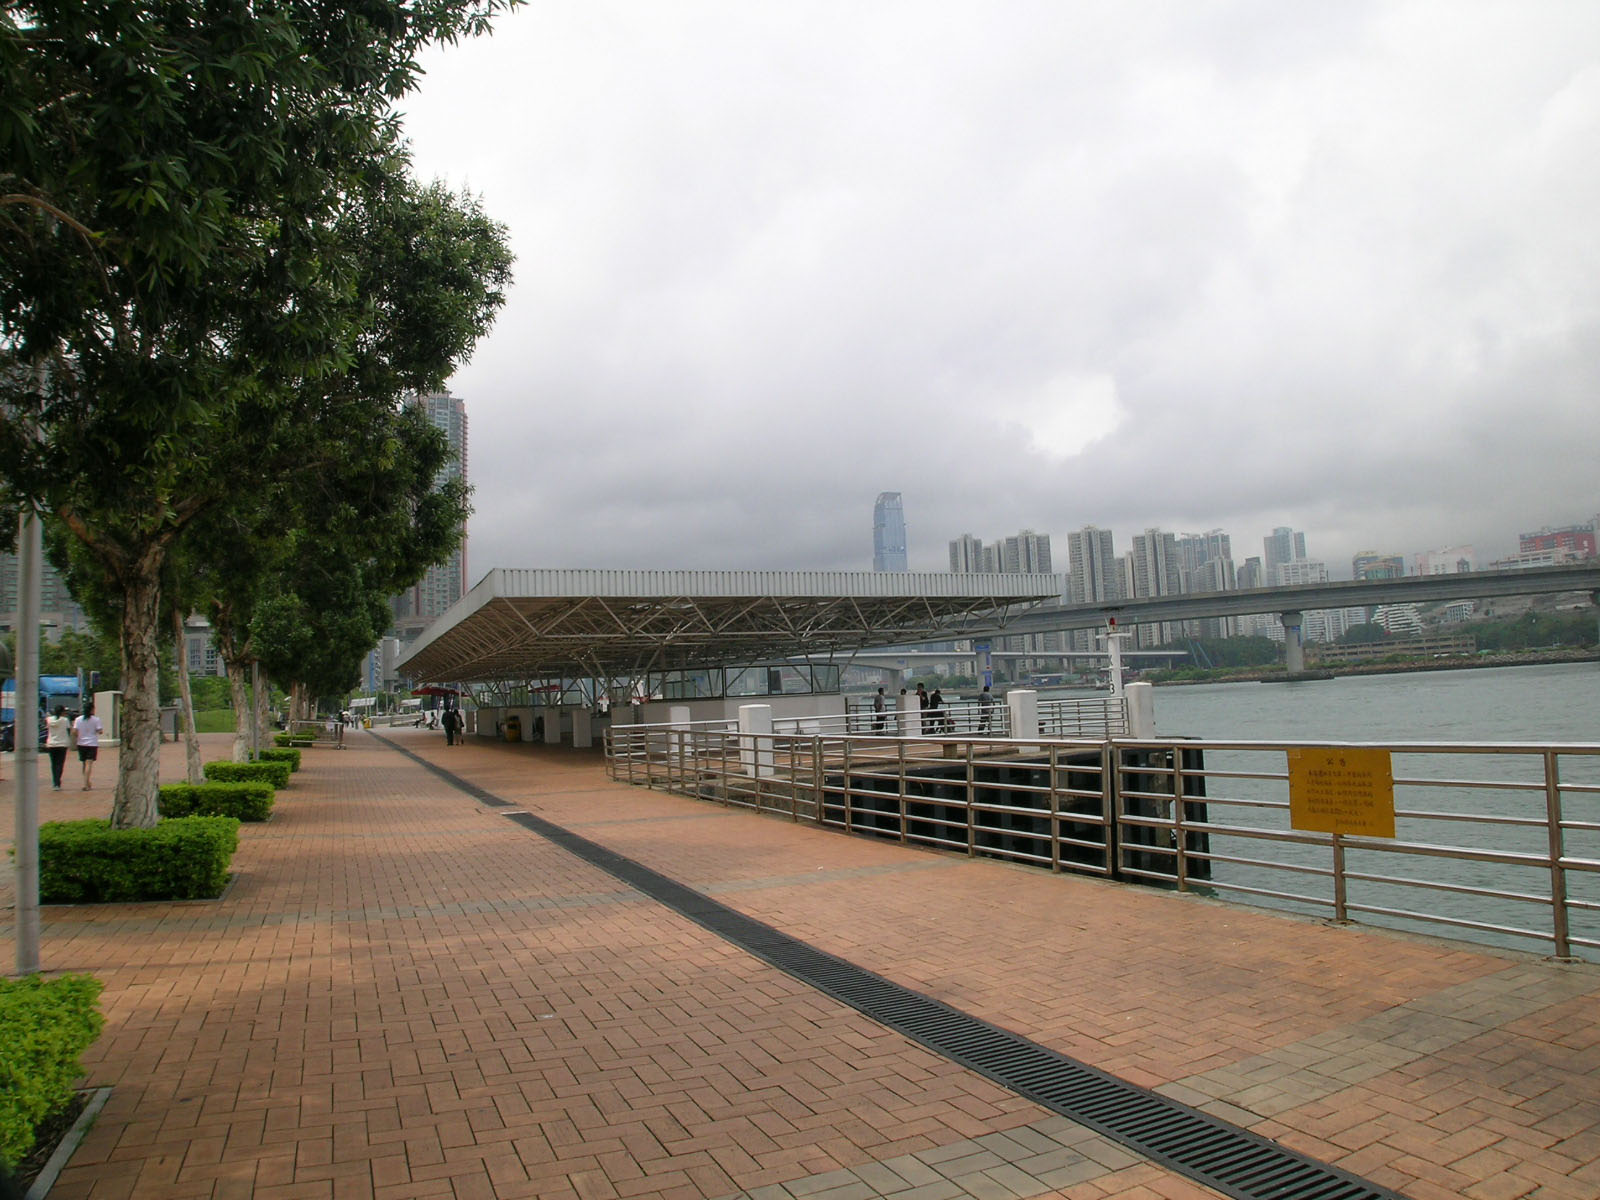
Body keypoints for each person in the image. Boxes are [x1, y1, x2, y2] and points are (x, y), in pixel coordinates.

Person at [72, 702, 104, 790]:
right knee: (89, 763)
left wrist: (79, 736)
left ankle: (86, 782)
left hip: (81, 743)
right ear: (91, 709)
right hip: (92, 743)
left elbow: (74, 731)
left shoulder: (78, 719)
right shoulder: (96, 719)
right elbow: (100, 731)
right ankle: (86, 784)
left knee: (84, 763)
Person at [46, 704, 72, 790]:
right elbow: (68, 730)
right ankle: (58, 782)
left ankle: (55, 782)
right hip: (62, 744)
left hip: (51, 744)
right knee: (60, 764)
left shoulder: (49, 719)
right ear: (62, 712)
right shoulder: (65, 720)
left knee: (53, 764)